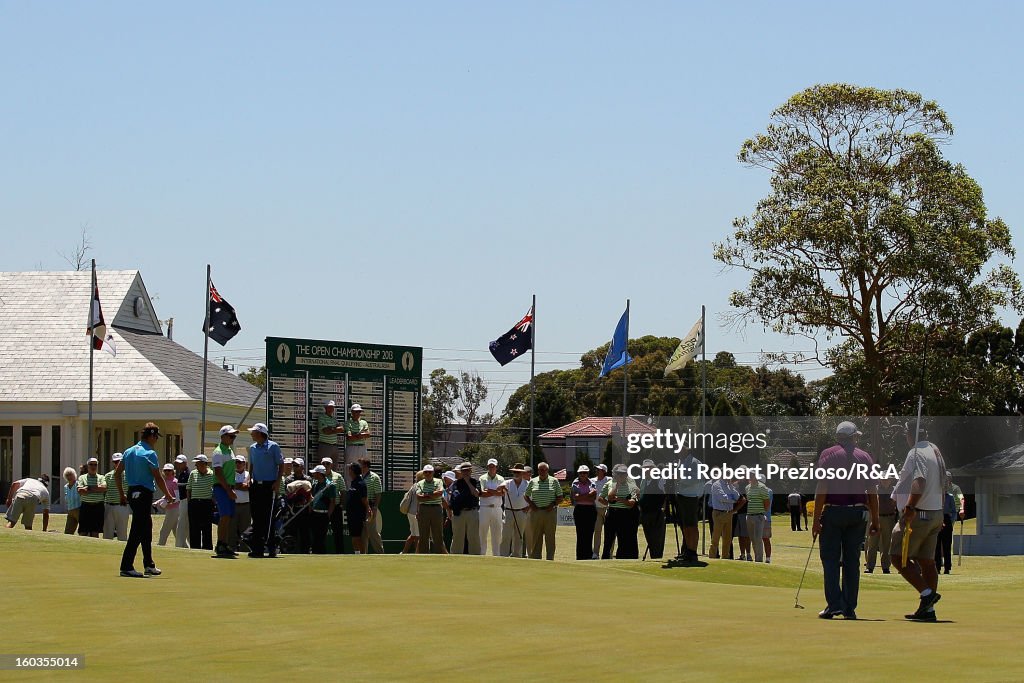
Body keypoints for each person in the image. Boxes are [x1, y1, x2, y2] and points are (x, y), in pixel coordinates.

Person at [812, 421, 879, 620]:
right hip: (858, 514)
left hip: (833, 512)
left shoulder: (828, 455)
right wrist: (875, 520)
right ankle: (849, 607)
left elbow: (822, 489)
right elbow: (872, 491)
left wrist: (816, 520)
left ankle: (834, 605)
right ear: (853, 437)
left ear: (838, 437)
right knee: (852, 561)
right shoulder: (865, 457)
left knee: (831, 560)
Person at [890, 423, 945, 622]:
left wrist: (910, 508)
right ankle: (928, 610)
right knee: (927, 561)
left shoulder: (915, 453)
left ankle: (927, 594)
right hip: (935, 513)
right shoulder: (935, 450)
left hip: (919, 514)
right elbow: (943, 482)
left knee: (897, 557)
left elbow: (918, 481)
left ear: (909, 435)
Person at [116, 422, 176, 578]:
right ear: (151, 436)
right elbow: (158, 477)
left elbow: (117, 474)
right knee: (137, 529)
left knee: (146, 528)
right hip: (143, 493)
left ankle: (149, 564)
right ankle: (126, 565)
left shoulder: (128, 451)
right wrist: (169, 496)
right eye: (156, 437)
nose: (156, 440)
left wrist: (122, 494)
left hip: (132, 492)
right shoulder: (150, 453)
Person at [247, 423, 285, 558]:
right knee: (256, 517)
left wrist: (278, 481)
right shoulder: (252, 448)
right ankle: (257, 548)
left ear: (260, 433)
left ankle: (271, 547)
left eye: (253, 432)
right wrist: (249, 477)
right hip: (256, 485)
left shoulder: (273, 446)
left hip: (269, 485)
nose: (251, 434)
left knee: (269, 518)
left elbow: (281, 465)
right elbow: (251, 465)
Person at [600, 464, 640, 559]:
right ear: (615, 474)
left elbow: (631, 503)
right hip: (612, 513)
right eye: (619, 474)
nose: (621, 476)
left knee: (623, 539)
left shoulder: (631, 485)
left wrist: (618, 499)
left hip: (625, 514)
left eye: (623, 474)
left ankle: (621, 558)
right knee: (608, 539)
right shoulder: (609, 483)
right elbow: (603, 498)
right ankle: (605, 558)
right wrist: (610, 502)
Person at [212, 425, 240, 558]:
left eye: (234, 436)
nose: (233, 438)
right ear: (223, 436)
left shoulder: (229, 450)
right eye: (230, 436)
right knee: (224, 516)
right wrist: (228, 490)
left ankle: (225, 543)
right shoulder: (218, 452)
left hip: (228, 487)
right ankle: (220, 544)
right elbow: (218, 472)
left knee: (228, 516)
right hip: (222, 487)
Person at [525, 462, 563, 560]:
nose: (543, 472)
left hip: (549, 513)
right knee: (536, 538)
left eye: (544, 470)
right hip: (536, 512)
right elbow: (526, 495)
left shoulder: (554, 481)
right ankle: (536, 559)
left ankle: (550, 559)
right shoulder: (533, 481)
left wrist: (553, 504)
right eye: (540, 470)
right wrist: (531, 504)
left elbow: (560, 497)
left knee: (550, 537)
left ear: (547, 470)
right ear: (538, 471)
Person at [674, 449, 705, 563]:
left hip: (691, 496)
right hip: (681, 495)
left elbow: (697, 478)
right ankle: (687, 550)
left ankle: (692, 551)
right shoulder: (680, 461)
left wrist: (680, 478)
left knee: (691, 525)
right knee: (685, 526)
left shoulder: (695, 462)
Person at [865, 477, 897, 574]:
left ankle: (886, 567)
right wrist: (872, 511)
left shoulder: (894, 490)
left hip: (889, 518)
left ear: (891, 480)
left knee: (887, 544)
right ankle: (870, 566)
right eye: (883, 479)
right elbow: (866, 501)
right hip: (875, 518)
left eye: (887, 479)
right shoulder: (874, 489)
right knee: (872, 543)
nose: (885, 481)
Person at [935, 470, 965, 575]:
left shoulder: (953, 493)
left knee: (947, 545)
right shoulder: (936, 495)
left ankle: (947, 567)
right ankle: (937, 566)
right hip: (937, 519)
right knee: (937, 545)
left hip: (947, 519)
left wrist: (951, 520)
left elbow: (958, 502)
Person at [449, 462, 482, 555]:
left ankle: (475, 556)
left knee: (473, 536)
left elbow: (476, 494)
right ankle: (455, 556)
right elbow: (453, 496)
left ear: (471, 471)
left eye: (468, 470)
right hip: (459, 513)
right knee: (457, 537)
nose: (466, 473)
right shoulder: (456, 483)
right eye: (464, 471)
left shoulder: (475, 482)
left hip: (472, 511)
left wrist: (468, 482)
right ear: (461, 472)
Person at [639, 459, 668, 560]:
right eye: (645, 469)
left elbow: (665, 494)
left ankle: (657, 557)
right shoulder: (644, 481)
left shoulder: (659, 479)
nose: (646, 471)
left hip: (657, 513)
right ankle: (653, 556)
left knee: (657, 538)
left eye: (648, 468)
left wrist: (663, 508)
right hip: (645, 513)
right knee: (649, 537)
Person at [187, 455, 216, 551]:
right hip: (194, 503)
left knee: (207, 528)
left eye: (198, 463)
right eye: (196, 463)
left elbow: (214, 489)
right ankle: (195, 548)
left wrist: (213, 500)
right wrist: (190, 502)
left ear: (204, 464)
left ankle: (207, 548)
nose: (196, 465)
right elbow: (189, 489)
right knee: (194, 528)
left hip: (207, 503)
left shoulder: (212, 474)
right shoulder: (193, 473)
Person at [500, 463, 529, 558]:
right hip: (509, 512)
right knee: (506, 535)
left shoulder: (528, 484)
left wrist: (529, 507)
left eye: (519, 472)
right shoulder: (507, 482)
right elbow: (499, 487)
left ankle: (517, 555)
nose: (516, 474)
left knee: (519, 536)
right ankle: (503, 555)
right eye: (515, 472)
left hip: (521, 512)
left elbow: (533, 498)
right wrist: (502, 488)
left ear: (522, 474)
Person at [478, 458, 506, 556]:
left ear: (496, 467)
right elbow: (481, 493)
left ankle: (496, 555)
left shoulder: (501, 479)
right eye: (490, 466)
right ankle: (482, 554)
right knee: (482, 533)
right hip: (484, 508)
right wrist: (495, 492)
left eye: (493, 466)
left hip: (497, 508)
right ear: (487, 467)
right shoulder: (482, 478)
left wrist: (489, 490)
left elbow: (502, 493)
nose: (491, 468)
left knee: (497, 534)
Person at [284, 458, 312, 554]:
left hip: (304, 510)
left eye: (297, 465)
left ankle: (305, 552)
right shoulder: (289, 479)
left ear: (302, 467)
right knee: (292, 533)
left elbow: (310, 494)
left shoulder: (308, 479)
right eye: (294, 465)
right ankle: (291, 552)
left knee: (305, 532)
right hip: (293, 510)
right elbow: (287, 494)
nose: (294, 467)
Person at [415, 465, 445, 553]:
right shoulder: (420, 483)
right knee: (423, 534)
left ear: (433, 473)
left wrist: (426, 495)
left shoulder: (439, 481)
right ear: (423, 473)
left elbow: (439, 493)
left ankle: (439, 554)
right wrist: (432, 495)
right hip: (424, 509)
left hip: (436, 509)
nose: (428, 474)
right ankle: (424, 555)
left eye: (430, 472)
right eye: (426, 472)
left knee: (438, 534)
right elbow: (419, 497)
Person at [570, 465, 597, 560]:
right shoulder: (575, 482)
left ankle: (588, 555)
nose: (583, 474)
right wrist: (587, 495)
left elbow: (593, 496)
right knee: (580, 533)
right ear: (578, 473)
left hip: (590, 510)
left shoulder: (592, 482)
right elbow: (576, 497)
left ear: (588, 474)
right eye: (581, 473)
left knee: (589, 533)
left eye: (584, 473)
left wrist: (582, 496)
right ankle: (580, 556)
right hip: (580, 510)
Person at [709, 477, 740, 560]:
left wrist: (731, 487)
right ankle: (712, 555)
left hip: (728, 513)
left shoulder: (729, 485)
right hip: (719, 513)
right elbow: (723, 498)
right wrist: (733, 500)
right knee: (716, 536)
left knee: (727, 538)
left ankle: (725, 556)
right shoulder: (716, 485)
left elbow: (737, 496)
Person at [309, 465, 337, 554]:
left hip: (323, 514)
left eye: (315, 473)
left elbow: (332, 502)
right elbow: (311, 499)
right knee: (314, 537)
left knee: (321, 538)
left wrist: (328, 515)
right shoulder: (314, 484)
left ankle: (321, 555)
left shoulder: (330, 485)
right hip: (314, 514)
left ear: (319, 474)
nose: (313, 474)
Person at [359, 457, 385, 554]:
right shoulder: (359, 477)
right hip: (360, 507)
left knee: (372, 532)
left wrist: (375, 507)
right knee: (363, 533)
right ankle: (363, 554)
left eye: (360, 464)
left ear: (365, 466)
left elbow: (378, 493)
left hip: (369, 506)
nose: (359, 466)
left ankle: (380, 553)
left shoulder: (374, 477)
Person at [744, 475, 771, 563]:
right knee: (753, 539)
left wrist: (761, 512)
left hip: (759, 516)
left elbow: (767, 502)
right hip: (749, 516)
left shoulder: (762, 487)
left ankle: (759, 559)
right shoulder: (747, 487)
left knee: (758, 538)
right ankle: (756, 556)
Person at [321, 457, 346, 554]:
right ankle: (321, 553)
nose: (325, 466)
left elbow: (343, 492)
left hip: (335, 508)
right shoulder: (318, 475)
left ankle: (340, 553)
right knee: (321, 532)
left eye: (328, 464)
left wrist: (341, 505)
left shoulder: (338, 476)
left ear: (331, 465)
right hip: (322, 508)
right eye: (324, 463)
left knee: (338, 532)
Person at [77, 458, 106, 537]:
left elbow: (103, 488)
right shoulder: (82, 477)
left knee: (95, 532)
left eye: (95, 465)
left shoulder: (101, 477)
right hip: (85, 507)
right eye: (91, 464)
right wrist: (96, 489)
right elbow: (80, 490)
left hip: (98, 507)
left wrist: (88, 488)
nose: (93, 466)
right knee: (83, 532)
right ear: (87, 466)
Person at [103, 453, 129, 541]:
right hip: (109, 506)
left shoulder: (129, 475)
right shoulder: (107, 476)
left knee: (122, 534)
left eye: (119, 461)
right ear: (113, 463)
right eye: (115, 462)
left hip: (122, 506)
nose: (117, 463)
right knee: (107, 534)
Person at [156, 464, 181, 546]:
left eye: (169, 470)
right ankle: (184, 546)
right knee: (176, 532)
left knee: (164, 530)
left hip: (174, 509)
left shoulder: (174, 482)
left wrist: (166, 502)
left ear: (173, 472)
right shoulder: (166, 481)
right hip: (170, 509)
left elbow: (177, 498)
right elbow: (167, 495)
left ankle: (160, 545)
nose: (167, 472)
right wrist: (159, 501)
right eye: (165, 470)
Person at [230, 455, 251, 553]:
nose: (238, 464)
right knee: (232, 529)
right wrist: (241, 485)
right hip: (234, 505)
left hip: (246, 506)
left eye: (240, 462)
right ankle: (231, 549)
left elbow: (248, 487)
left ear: (244, 464)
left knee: (245, 529)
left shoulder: (248, 474)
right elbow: (231, 485)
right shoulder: (231, 474)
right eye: (236, 462)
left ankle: (245, 550)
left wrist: (237, 485)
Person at [344, 403, 371, 480]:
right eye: (356, 411)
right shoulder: (347, 423)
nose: (358, 413)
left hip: (362, 447)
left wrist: (357, 435)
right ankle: (349, 488)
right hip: (352, 448)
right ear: (352, 412)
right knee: (350, 467)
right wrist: (360, 435)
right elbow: (349, 437)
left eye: (359, 411)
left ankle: (361, 486)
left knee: (363, 467)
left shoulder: (364, 422)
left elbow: (368, 434)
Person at [347, 462, 369, 554]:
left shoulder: (361, 483)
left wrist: (368, 509)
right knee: (354, 537)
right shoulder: (353, 483)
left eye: (350, 469)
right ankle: (357, 555)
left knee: (358, 537)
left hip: (358, 514)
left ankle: (362, 555)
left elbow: (364, 499)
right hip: (351, 514)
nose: (348, 471)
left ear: (353, 471)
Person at [400, 470, 423, 554]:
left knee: (413, 535)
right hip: (417, 513)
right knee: (418, 536)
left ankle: (404, 552)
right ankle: (418, 554)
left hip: (410, 513)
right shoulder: (421, 486)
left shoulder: (414, 486)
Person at [592, 463, 610, 559]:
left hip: (608, 508)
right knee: (597, 532)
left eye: (599, 470)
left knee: (609, 533)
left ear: (604, 471)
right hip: (597, 509)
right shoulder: (592, 480)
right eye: (597, 469)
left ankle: (608, 553)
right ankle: (595, 553)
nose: (597, 471)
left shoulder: (610, 480)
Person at [317, 400, 343, 465]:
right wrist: (335, 429)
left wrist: (331, 428)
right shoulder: (321, 417)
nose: (331, 409)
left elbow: (341, 429)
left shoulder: (334, 419)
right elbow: (326, 431)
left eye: (332, 407)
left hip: (334, 446)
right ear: (325, 408)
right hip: (325, 445)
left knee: (333, 468)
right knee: (323, 467)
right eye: (329, 407)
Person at [173, 454, 190, 548]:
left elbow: (188, 490)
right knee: (184, 525)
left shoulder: (187, 473)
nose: (178, 465)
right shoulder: (181, 473)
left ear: (185, 463)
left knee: (181, 524)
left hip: (186, 501)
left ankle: (179, 545)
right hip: (182, 501)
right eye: (177, 463)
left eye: (180, 463)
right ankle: (184, 545)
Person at [62, 467, 80, 535]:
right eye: (67, 475)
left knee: (83, 531)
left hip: (79, 509)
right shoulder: (65, 487)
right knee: (68, 532)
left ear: (74, 475)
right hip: (70, 511)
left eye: (70, 474)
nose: (69, 477)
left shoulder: (78, 484)